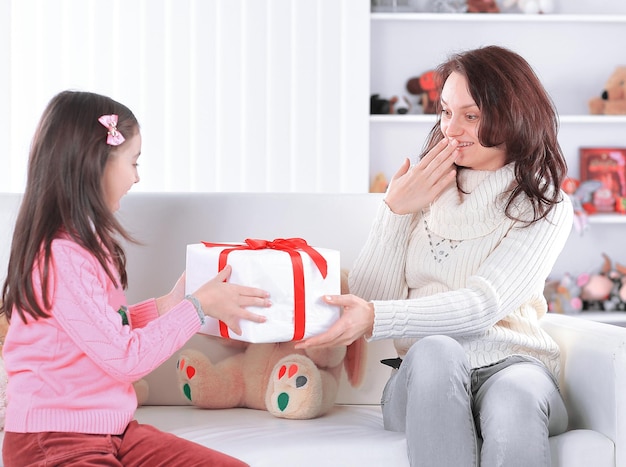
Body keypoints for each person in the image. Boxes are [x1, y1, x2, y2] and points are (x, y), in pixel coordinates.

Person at [296, 45, 573, 466]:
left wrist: (376, 316)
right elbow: (373, 294)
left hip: (512, 364)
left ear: (513, 115)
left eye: (471, 115)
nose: (451, 129)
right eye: (445, 112)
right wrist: (394, 211)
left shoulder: (543, 203)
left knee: (516, 394)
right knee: (437, 350)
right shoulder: (425, 186)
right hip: (423, 374)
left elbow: (484, 305)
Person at [0, 90, 271, 466]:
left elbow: (109, 330)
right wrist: (197, 308)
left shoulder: (85, 245)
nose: (137, 177)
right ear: (96, 163)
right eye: (133, 161)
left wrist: (171, 304)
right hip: (53, 440)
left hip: (113, 432)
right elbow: (125, 359)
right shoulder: (60, 256)